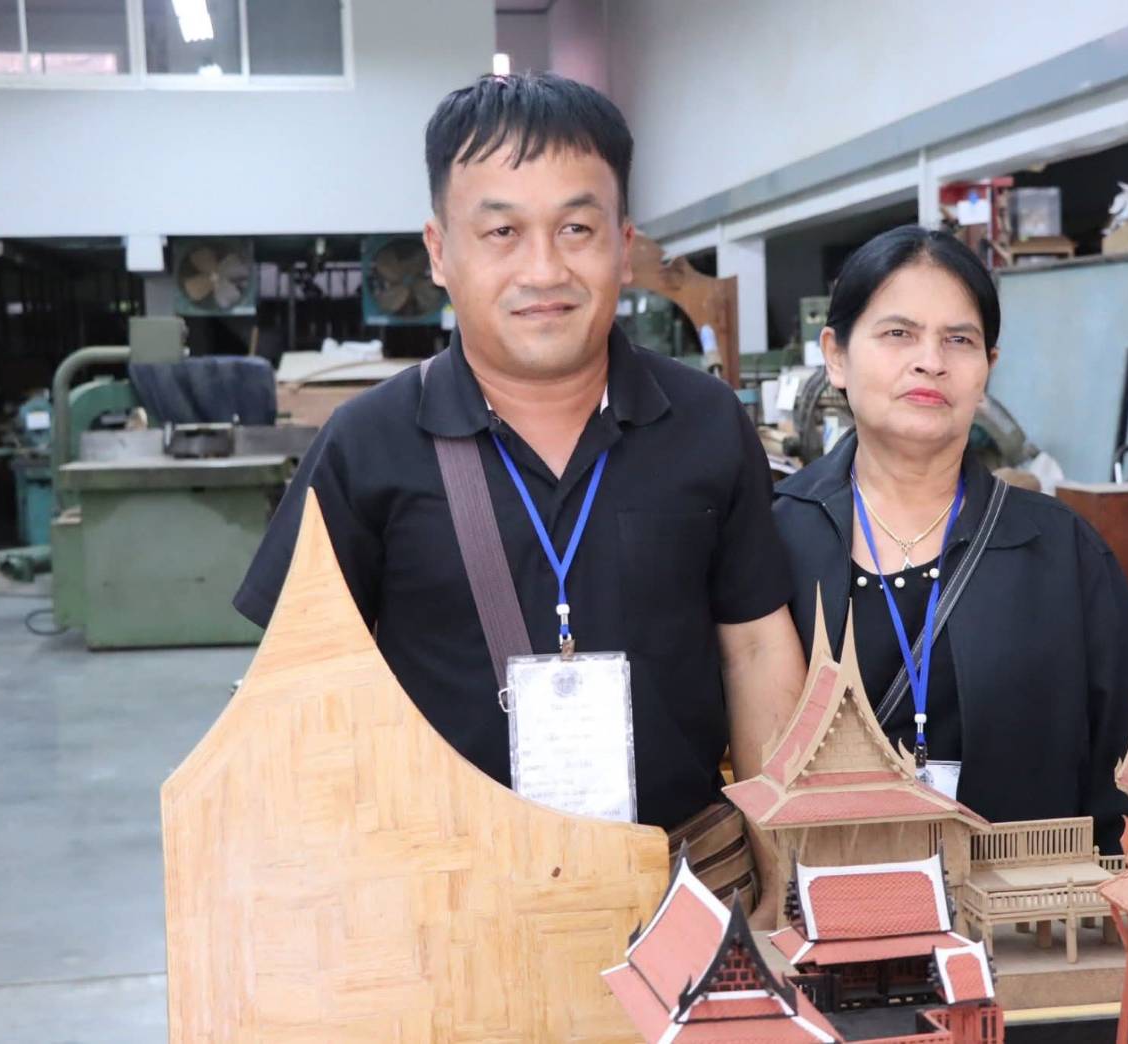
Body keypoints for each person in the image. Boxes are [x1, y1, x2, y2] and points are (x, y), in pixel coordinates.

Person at [233, 73, 805, 915]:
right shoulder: (367, 445)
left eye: (577, 228)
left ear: (623, 245)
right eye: (502, 231)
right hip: (452, 899)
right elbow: (297, 691)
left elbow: (755, 649)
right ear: (439, 252)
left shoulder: (706, 422)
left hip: (688, 883)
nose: (544, 269)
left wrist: (784, 878)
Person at [772, 225, 1128, 850]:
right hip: (824, 889)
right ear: (837, 355)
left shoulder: (1060, 551)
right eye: (898, 334)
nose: (931, 360)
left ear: (987, 370)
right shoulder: (774, 535)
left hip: (1030, 899)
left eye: (959, 340)